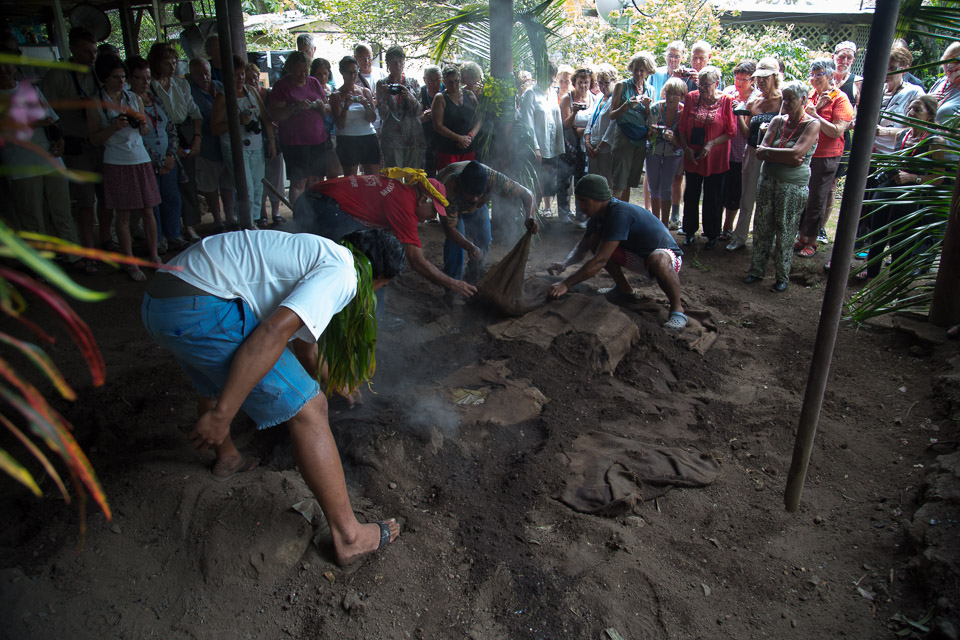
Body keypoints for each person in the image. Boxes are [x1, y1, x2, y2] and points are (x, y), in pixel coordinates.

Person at [141, 228, 403, 566]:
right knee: (311, 407)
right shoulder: (345, 273)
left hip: (161, 306)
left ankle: (228, 457)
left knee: (217, 372)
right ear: (379, 277)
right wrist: (223, 415)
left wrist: (337, 383)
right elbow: (274, 331)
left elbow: (306, 345)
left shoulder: (319, 249)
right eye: (381, 287)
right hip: (203, 308)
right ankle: (349, 536)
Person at [292, 170, 477, 302]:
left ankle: (371, 310)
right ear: (422, 199)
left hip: (315, 200)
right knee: (364, 261)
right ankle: (356, 311)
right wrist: (453, 284)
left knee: (379, 249)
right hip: (321, 209)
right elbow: (417, 261)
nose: (433, 217)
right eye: (433, 210)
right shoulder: (405, 206)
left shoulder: (403, 188)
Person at [546, 174, 687, 331]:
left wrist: (566, 283)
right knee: (595, 241)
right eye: (578, 200)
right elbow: (583, 247)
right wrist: (565, 263)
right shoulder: (597, 216)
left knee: (657, 259)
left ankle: (677, 309)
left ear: (599, 198)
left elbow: (600, 261)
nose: (580, 205)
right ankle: (624, 290)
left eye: (584, 200)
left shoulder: (619, 213)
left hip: (667, 258)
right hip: (638, 257)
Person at [0, 45, 89, 272]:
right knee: (32, 218)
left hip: (50, 159)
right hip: (21, 165)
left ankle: (73, 257)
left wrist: (60, 141)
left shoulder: (29, 90)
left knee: (62, 212)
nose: (4, 69)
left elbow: (52, 119)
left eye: (7, 63)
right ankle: (42, 265)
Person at [86, 54, 161, 281]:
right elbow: (94, 138)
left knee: (148, 210)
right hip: (116, 161)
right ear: (104, 78)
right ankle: (130, 262)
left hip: (140, 157)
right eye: (116, 77)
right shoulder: (96, 102)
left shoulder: (133, 98)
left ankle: (154, 255)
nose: (121, 81)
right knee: (124, 214)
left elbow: (145, 132)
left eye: (123, 77)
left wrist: (141, 122)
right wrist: (114, 126)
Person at [743, 80, 820, 292]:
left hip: (792, 186)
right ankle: (756, 270)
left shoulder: (812, 124)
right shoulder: (777, 120)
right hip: (768, 180)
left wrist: (775, 154)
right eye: (784, 98)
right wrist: (787, 156)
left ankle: (782, 275)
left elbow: (798, 153)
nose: (785, 103)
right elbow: (761, 150)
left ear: (804, 100)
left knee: (785, 230)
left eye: (791, 100)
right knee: (762, 226)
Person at [864, 96, 945, 280]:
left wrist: (913, 178)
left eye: (917, 110)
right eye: (910, 108)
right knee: (877, 235)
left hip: (909, 196)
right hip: (888, 189)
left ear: (930, 115)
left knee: (899, 243)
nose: (911, 112)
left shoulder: (936, 141)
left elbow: (939, 177)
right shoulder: (902, 134)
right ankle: (871, 277)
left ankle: (894, 286)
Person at [41, 26, 101, 249]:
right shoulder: (57, 76)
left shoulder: (96, 74)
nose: (92, 56)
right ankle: (87, 245)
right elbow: (46, 113)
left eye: (94, 52)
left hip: (101, 143)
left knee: (107, 199)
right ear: (73, 49)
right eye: (87, 52)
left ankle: (107, 239)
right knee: (85, 201)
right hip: (76, 146)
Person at [438, 160, 538, 282]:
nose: (474, 198)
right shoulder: (450, 186)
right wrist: (469, 246)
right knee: (455, 244)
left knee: (484, 239)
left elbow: (527, 193)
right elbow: (450, 229)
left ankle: (473, 276)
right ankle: (452, 286)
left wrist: (530, 217)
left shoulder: (494, 179)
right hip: (452, 204)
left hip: (478, 208)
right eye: (470, 194)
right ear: (462, 187)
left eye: (478, 194)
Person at [795, 58, 854, 257]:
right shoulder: (811, 95)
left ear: (830, 76)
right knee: (804, 196)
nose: (814, 78)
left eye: (819, 74)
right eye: (812, 74)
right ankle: (801, 236)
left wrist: (816, 115)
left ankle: (811, 241)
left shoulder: (840, 98)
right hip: (807, 153)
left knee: (817, 198)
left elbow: (837, 131)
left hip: (826, 156)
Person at [128, 56, 186, 254]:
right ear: (130, 80)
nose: (145, 82)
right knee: (152, 205)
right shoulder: (128, 102)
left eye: (147, 78)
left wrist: (170, 154)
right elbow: (136, 138)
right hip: (147, 161)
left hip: (168, 159)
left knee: (172, 198)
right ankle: (158, 239)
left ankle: (173, 235)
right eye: (139, 78)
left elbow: (170, 127)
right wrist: (159, 161)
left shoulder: (155, 99)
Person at [212, 55, 277, 230]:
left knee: (257, 186)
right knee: (245, 187)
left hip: (256, 145)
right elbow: (214, 128)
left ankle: (254, 220)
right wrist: (236, 121)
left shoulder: (251, 91)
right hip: (235, 147)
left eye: (241, 74)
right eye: (234, 75)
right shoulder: (222, 97)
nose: (239, 78)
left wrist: (271, 141)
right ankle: (244, 223)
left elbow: (265, 118)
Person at [148, 43, 203, 243]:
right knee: (163, 188)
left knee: (188, 184)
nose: (172, 67)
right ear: (156, 64)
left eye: (174, 62)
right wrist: (172, 147)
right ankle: (165, 233)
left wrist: (197, 138)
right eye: (167, 63)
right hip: (160, 135)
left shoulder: (181, 84)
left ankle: (188, 226)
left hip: (184, 130)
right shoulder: (149, 87)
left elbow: (195, 113)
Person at [726, 57, 783, 251]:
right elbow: (747, 133)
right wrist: (741, 115)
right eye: (758, 78)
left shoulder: (783, 100)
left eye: (764, 78)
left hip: (774, 156)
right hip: (752, 152)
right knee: (747, 196)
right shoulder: (755, 100)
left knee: (769, 199)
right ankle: (740, 236)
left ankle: (765, 240)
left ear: (774, 77)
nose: (760, 82)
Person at [678, 65, 735, 249]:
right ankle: (689, 232)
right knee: (691, 195)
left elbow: (730, 132)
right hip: (693, 155)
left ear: (716, 83)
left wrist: (711, 143)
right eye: (700, 84)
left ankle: (712, 234)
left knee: (713, 197)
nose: (701, 89)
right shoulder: (691, 97)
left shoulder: (726, 101)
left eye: (706, 85)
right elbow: (682, 127)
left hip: (715, 157)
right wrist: (686, 148)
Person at [270, 51, 330, 205]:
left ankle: (314, 215)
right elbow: (275, 114)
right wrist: (294, 107)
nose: (303, 75)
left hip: (318, 139)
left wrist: (323, 107)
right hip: (295, 142)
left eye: (305, 71)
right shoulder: (281, 86)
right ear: (289, 68)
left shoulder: (314, 82)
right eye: (298, 71)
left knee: (316, 179)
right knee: (299, 182)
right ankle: (298, 217)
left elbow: (327, 108)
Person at [188, 57, 235, 232]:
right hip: (207, 145)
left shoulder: (220, 86)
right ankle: (217, 220)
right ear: (192, 75)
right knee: (210, 185)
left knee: (228, 183)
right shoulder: (190, 91)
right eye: (199, 74)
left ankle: (230, 217)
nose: (204, 76)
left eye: (206, 72)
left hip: (226, 143)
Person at [609, 52, 656, 203]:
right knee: (619, 182)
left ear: (648, 71)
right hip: (624, 136)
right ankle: (614, 216)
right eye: (636, 69)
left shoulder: (650, 89)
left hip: (640, 139)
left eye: (642, 70)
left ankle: (624, 213)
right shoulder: (621, 86)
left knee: (630, 182)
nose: (638, 73)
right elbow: (612, 114)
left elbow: (649, 117)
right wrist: (627, 105)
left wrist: (648, 107)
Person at [519, 62, 564, 216]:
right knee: (534, 183)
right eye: (546, 79)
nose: (549, 83)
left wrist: (559, 146)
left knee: (545, 184)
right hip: (537, 148)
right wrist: (535, 147)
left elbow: (555, 120)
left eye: (552, 79)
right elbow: (527, 123)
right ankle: (529, 216)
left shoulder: (552, 93)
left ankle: (536, 216)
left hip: (551, 147)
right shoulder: (530, 94)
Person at [719, 60, 756, 241]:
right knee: (721, 190)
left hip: (740, 153)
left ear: (752, 80)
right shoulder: (728, 92)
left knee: (734, 192)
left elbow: (749, 131)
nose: (739, 82)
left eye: (744, 79)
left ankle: (728, 227)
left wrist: (740, 112)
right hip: (723, 150)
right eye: (737, 77)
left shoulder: (756, 99)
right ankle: (717, 226)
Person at [645, 77, 687, 227]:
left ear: (682, 96)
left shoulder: (684, 113)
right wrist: (651, 132)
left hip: (673, 154)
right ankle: (655, 223)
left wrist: (673, 139)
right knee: (653, 188)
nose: (670, 97)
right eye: (668, 93)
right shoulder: (655, 108)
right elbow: (647, 135)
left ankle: (664, 225)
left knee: (666, 188)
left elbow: (684, 143)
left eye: (675, 94)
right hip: (654, 151)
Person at [375, 46, 425, 170]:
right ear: (387, 64)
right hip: (392, 137)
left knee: (413, 176)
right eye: (393, 62)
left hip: (413, 135)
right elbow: (383, 115)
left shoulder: (413, 82)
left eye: (400, 61)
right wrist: (384, 98)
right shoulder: (382, 84)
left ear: (404, 62)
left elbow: (419, 111)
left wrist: (410, 96)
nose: (397, 65)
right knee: (394, 177)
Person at [558, 67, 597, 223]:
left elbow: (596, 121)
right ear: (574, 83)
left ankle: (581, 213)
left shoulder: (594, 99)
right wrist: (574, 112)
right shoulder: (568, 99)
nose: (583, 86)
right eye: (580, 82)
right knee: (565, 179)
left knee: (582, 181)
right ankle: (563, 212)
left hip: (585, 146)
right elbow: (565, 124)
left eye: (586, 83)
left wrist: (584, 131)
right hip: (569, 145)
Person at [330, 55, 379, 177]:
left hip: (368, 136)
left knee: (373, 177)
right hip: (347, 138)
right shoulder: (336, 96)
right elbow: (340, 125)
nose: (353, 76)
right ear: (342, 72)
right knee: (351, 179)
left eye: (355, 72)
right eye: (349, 73)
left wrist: (366, 105)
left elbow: (372, 119)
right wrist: (346, 107)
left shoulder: (365, 92)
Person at [432, 65, 482, 172]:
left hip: (468, 146)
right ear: (444, 82)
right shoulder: (440, 98)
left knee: (468, 179)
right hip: (447, 149)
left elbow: (479, 119)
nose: (454, 85)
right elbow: (437, 125)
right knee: (450, 181)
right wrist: (459, 138)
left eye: (456, 81)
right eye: (450, 82)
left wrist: (470, 136)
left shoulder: (469, 95)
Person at [584, 66, 618, 189]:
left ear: (614, 81)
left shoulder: (616, 99)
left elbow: (612, 126)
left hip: (605, 147)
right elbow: (590, 120)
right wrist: (587, 142)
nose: (603, 87)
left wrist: (600, 147)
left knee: (606, 178)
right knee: (593, 178)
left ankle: (607, 206)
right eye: (600, 84)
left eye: (606, 83)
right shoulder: (598, 97)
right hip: (592, 144)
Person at [310, 57, 343, 179]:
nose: (323, 77)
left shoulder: (334, 91)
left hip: (332, 134)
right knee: (317, 173)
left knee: (333, 171)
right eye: (319, 74)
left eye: (325, 73)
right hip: (317, 135)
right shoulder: (311, 91)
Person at [930, 41, 960, 156]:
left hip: (949, 156)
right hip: (928, 150)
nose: (949, 65)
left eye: (954, 61)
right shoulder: (941, 82)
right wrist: (928, 99)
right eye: (946, 60)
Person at [353, 43, 386, 132]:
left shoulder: (381, 73)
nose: (366, 61)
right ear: (356, 58)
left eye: (369, 57)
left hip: (382, 122)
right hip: (364, 124)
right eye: (362, 58)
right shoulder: (354, 78)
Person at [420, 65, 442, 177]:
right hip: (427, 141)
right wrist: (422, 118)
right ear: (424, 80)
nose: (434, 84)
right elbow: (414, 117)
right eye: (430, 80)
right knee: (428, 175)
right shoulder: (420, 93)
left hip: (445, 140)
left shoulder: (447, 91)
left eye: (437, 80)